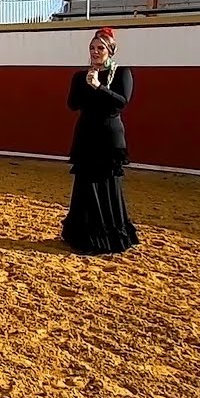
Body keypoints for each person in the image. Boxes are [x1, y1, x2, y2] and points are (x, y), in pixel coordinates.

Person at [61, 26, 139, 255]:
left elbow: (120, 102)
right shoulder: (80, 76)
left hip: (109, 138)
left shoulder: (123, 73)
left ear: (110, 51)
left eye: (100, 48)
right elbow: (73, 104)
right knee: (85, 186)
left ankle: (108, 236)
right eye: (92, 48)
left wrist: (98, 87)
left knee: (106, 185)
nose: (95, 52)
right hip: (86, 136)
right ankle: (82, 235)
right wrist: (85, 84)